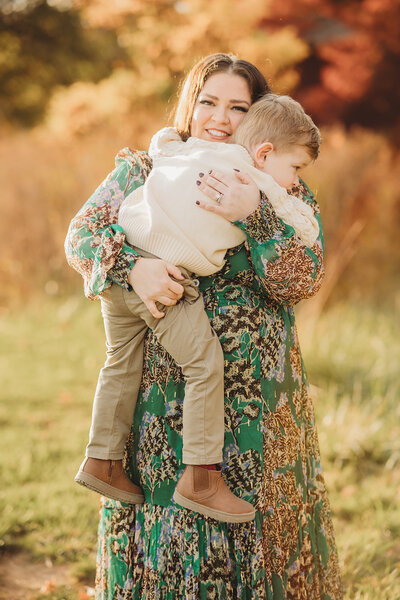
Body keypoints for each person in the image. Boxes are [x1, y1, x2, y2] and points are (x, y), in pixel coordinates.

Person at [65, 54, 343, 598]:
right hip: (168, 392)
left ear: (258, 117)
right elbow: (82, 236)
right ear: (189, 107)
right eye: (208, 102)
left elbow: (303, 279)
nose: (219, 117)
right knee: (172, 525)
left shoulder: (278, 182)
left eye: (238, 107)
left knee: (257, 528)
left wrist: (255, 214)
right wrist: (133, 267)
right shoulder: (146, 169)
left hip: (259, 402)